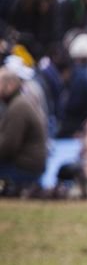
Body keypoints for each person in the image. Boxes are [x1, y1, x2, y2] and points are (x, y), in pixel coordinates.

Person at [0, 66, 47, 194]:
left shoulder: (18, 107)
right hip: (29, 166)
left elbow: (8, 147)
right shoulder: (19, 102)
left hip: (24, 168)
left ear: (10, 85)